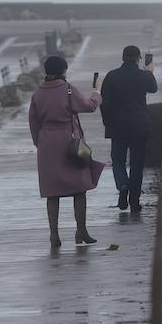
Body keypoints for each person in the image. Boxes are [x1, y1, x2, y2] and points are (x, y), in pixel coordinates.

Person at [28, 55, 104, 247]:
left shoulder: (37, 94)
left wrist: (41, 144)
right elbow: (90, 106)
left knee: (52, 192)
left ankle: (54, 235)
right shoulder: (67, 89)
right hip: (69, 142)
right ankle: (81, 231)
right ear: (63, 70)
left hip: (46, 144)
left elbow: (33, 123)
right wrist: (97, 91)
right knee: (79, 188)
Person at [99, 45, 158, 212]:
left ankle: (123, 185)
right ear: (138, 58)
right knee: (137, 163)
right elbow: (153, 88)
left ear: (123, 58)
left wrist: (107, 123)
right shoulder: (144, 75)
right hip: (139, 125)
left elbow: (105, 103)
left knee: (118, 160)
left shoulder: (112, 76)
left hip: (117, 126)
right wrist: (150, 70)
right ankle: (134, 201)